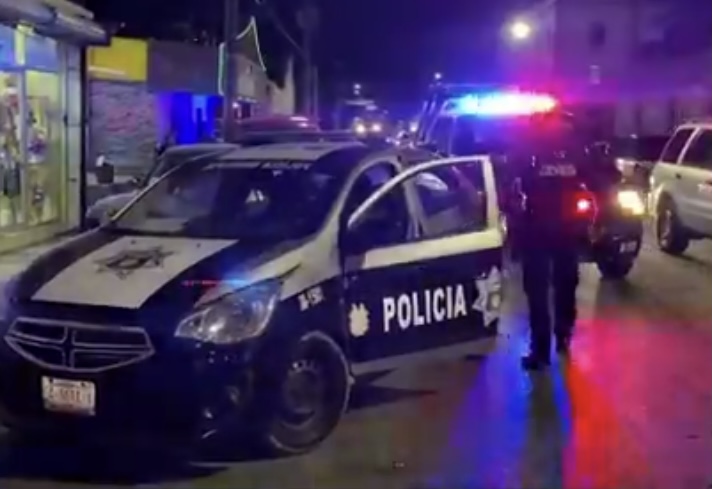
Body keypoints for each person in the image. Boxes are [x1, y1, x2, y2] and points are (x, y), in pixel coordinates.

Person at [509, 115, 597, 371]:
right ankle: (562, 335)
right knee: (564, 283)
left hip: (539, 228)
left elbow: (513, 181)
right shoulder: (575, 149)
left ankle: (542, 349)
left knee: (540, 289)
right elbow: (594, 178)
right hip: (563, 228)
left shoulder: (530, 147)